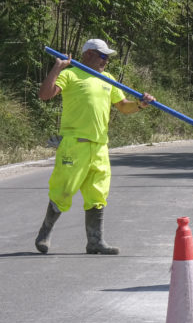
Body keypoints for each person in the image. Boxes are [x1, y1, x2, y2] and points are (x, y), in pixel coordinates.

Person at [35, 38, 155, 255]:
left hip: (99, 147)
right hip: (74, 145)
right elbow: (45, 95)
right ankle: (44, 234)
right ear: (88, 54)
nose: (106, 61)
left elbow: (122, 106)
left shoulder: (108, 79)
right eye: (103, 56)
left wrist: (140, 104)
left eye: (107, 57)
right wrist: (58, 67)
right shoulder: (71, 74)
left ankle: (95, 241)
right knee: (62, 191)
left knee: (98, 194)